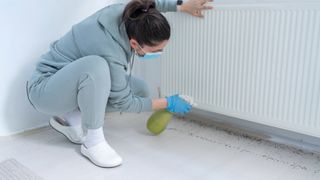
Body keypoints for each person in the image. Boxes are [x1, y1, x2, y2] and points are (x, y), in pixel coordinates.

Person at [26, 0, 213, 168]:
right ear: (134, 43)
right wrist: (168, 102)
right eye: (156, 50)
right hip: (45, 91)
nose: (160, 53)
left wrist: (181, 6)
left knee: (140, 89)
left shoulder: (130, 14)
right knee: (97, 66)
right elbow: (124, 102)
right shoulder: (109, 50)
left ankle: (70, 117)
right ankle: (93, 141)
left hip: (71, 82)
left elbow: (150, 4)